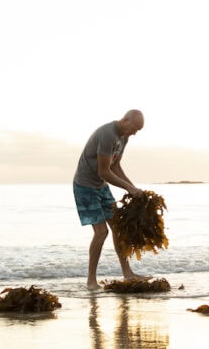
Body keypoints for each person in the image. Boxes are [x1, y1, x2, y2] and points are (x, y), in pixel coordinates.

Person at [73, 109, 148, 290]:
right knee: (101, 232)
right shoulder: (107, 134)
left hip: (101, 186)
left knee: (118, 228)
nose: (135, 133)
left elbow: (115, 166)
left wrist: (133, 187)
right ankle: (91, 280)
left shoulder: (124, 137)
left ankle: (127, 273)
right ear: (125, 119)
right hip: (85, 186)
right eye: (134, 128)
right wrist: (128, 187)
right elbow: (104, 171)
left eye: (138, 130)